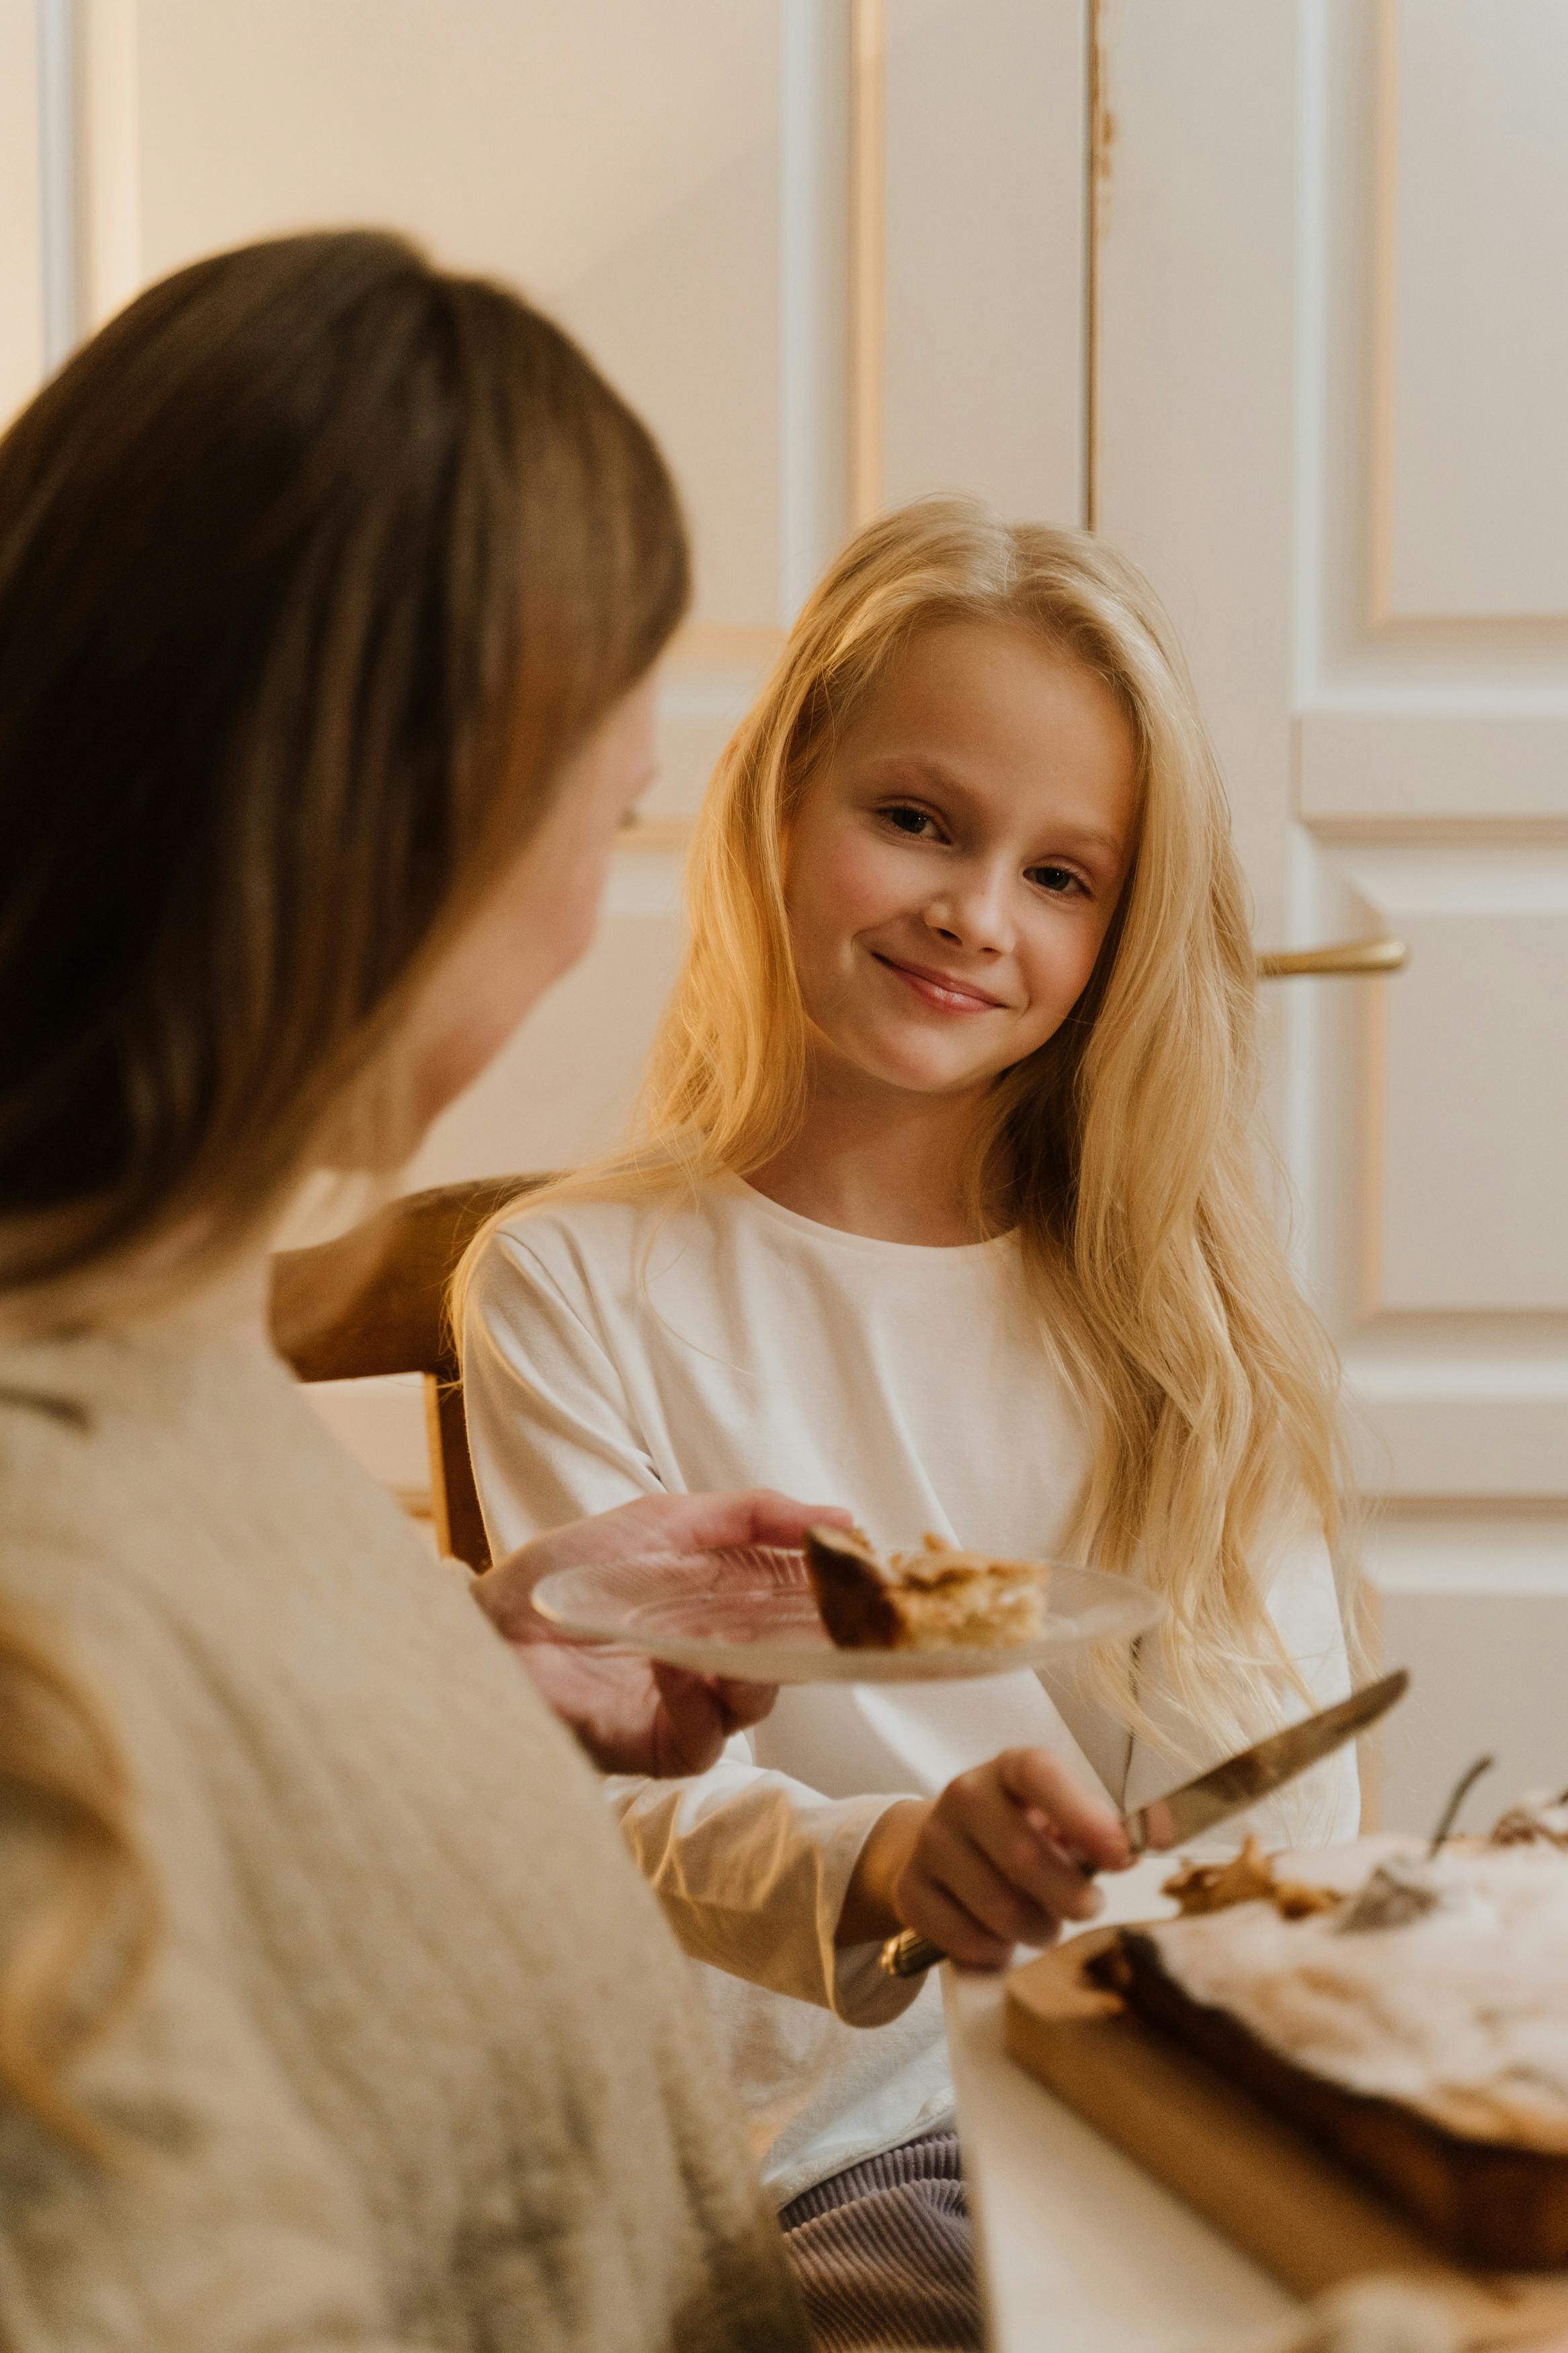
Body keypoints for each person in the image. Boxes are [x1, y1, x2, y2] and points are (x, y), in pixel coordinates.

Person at [0, 227, 873, 2352]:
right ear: (399, 845)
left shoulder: (152, 1322)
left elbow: (234, 1829)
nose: (593, 917)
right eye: (610, 820)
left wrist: (469, 1677)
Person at [460, 499, 1362, 2350]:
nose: (974, 910)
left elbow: (1295, 1810)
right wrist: (882, 1860)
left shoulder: (1169, 1313)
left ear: (1122, 935)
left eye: (1063, 875)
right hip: (832, 2139)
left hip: (1174, 2100)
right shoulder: (574, 1278)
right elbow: (622, 1809)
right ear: (782, 803)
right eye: (921, 822)